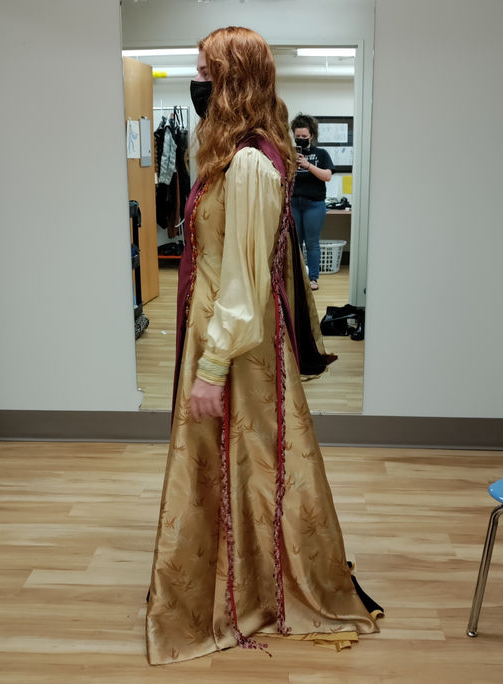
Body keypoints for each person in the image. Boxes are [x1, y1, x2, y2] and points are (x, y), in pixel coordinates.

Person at [145, 26, 382, 666]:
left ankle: (253, 589)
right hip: (220, 336)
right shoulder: (229, 157)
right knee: (235, 463)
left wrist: (211, 367)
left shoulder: (250, 164)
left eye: (205, 72)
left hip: (236, 346)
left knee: (251, 461)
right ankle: (235, 574)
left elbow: (246, 283)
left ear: (232, 81)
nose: (196, 83)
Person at [291, 114, 334, 290]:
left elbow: (327, 176)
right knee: (295, 243)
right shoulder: (289, 154)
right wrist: (291, 167)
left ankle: (313, 278)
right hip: (294, 203)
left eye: (304, 136)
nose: (301, 139)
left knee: (312, 243)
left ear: (312, 135)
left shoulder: (321, 154)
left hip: (314, 204)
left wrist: (308, 165)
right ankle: (297, 278)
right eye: (297, 136)